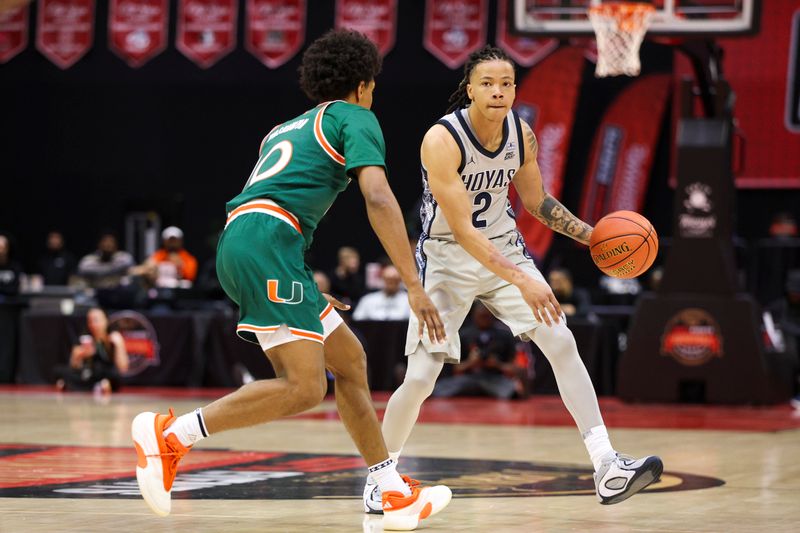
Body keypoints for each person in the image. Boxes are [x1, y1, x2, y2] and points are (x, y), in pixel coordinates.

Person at [131, 29, 451, 531]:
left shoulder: (285, 127)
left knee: (349, 361)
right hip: (268, 243)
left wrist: (297, 276)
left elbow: (277, 197)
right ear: (364, 84)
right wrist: (413, 282)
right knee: (304, 388)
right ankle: (172, 436)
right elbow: (380, 198)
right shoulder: (356, 116)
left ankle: (387, 489)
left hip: (258, 243)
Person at [364, 45, 662, 512]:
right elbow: (463, 231)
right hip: (446, 258)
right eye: (488, 83)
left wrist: (594, 238)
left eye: (506, 83)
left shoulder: (521, 134)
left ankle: (606, 466)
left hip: (503, 247)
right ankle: (380, 479)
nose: (498, 91)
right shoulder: (441, 140)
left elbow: (538, 201)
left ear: (514, 90)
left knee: (561, 341)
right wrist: (523, 280)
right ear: (469, 89)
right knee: (422, 376)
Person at [433, 302, 526, 399]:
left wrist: (498, 364)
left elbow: (515, 368)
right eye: (481, 316)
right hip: (467, 379)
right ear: (474, 315)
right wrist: (470, 362)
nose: (484, 320)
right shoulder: (462, 336)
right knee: (439, 389)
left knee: (511, 390)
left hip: (494, 379)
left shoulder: (505, 336)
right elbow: (453, 369)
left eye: (487, 317)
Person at [54, 307, 129, 393]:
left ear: (105, 321)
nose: (93, 324)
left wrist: (119, 346)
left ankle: (78, 386)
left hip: (105, 373)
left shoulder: (113, 337)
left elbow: (123, 368)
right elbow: (74, 366)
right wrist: (79, 355)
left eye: (96, 320)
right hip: (89, 374)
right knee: (59, 371)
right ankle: (95, 387)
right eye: (90, 321)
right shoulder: (84, 338)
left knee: (113, 375)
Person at [130, 226, 198, 288]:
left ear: (180, 241)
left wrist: (180, 266)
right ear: (164, 241)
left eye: (175, 240)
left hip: (179, 291)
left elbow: (190, 276)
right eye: (170, 240)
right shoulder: (159, 255)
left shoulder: (188, 258)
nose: (172, 243)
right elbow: (147, 267)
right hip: (160, 289)